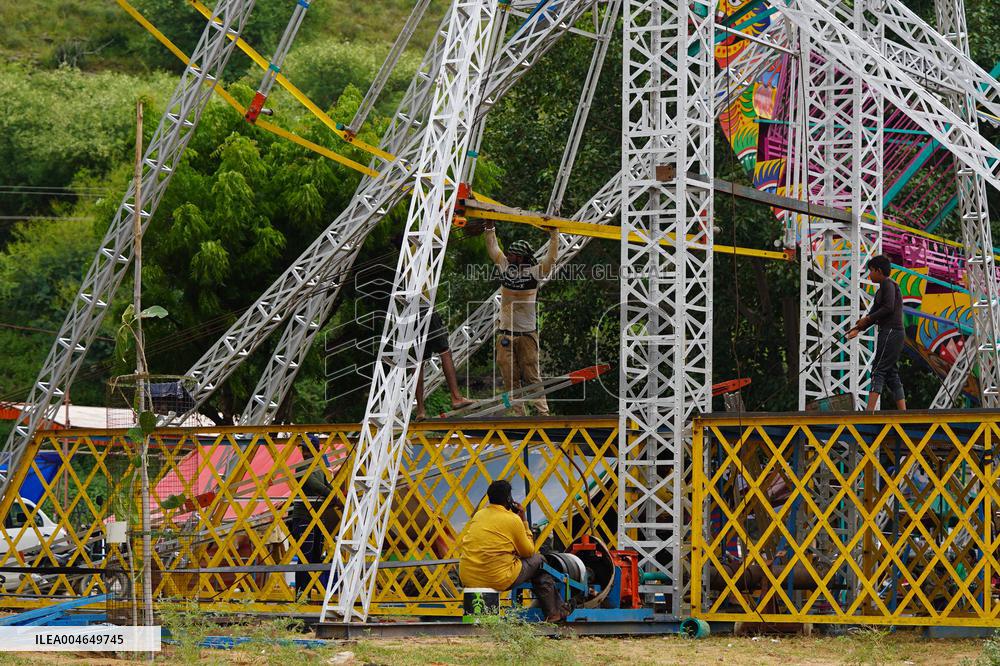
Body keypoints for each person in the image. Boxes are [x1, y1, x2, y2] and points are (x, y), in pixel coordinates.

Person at [458, 480, 567, 622]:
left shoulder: (478, 515)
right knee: (539, 561)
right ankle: (554, 613)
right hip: (496, 578)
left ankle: (556, 611)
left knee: (524, 564)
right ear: (509, 499)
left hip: (469, 577)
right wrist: (524, 521)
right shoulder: (513, 520)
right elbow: (528, 552)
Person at [483, 223, 559, 415]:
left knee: (532, 375)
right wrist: (490, 229)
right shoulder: (504, 266)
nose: (509, 256)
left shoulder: (535, 272)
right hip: (505, 334)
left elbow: (551, 259)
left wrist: (554, 234)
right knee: (509, 378)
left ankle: (543, 414)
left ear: (523, 258)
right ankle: (519, 415)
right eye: (509, 254)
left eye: (514, 255)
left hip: (527, 335)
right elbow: (493, 248)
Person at [847, 255, 907, 412]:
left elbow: (888, 308)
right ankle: (903, 412)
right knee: (891, 372)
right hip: (892, 333)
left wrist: (866, 319)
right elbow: (874, 315)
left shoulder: (888, 284)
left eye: (871, 271)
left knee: (878, 370)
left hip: (891, 332)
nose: (869, 275)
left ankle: (869, 412)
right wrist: (858, 329)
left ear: (879, 271)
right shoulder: (882, 289)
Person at [414, 309, 475, 420]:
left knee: (418, 362)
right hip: (425, 308)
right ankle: (456, 398)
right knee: (445, 352)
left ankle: (420, 410)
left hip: (409, 315)